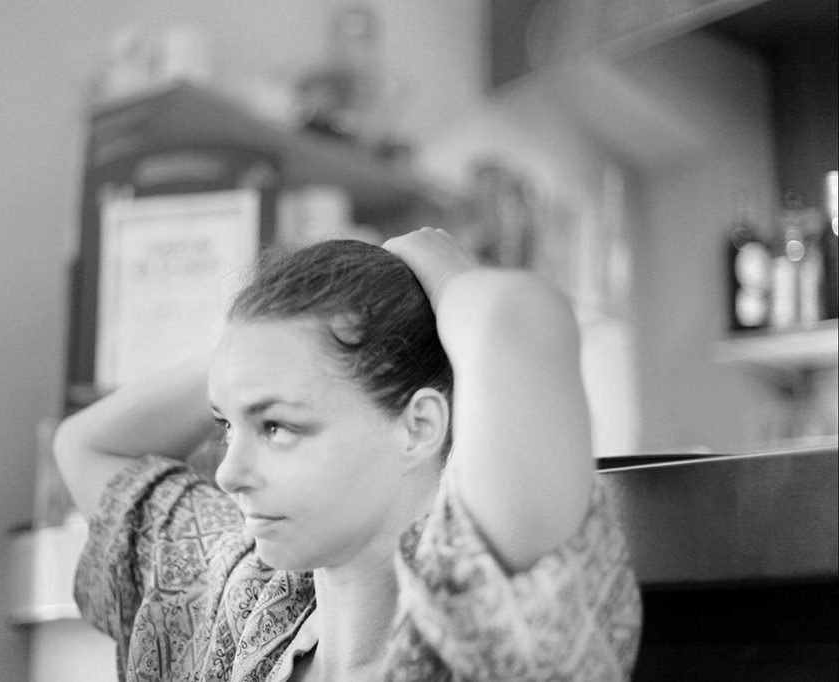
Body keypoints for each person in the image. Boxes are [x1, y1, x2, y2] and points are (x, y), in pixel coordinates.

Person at [56, 227, 642, 681]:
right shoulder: (243, 603)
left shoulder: (478, 628)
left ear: (418, 427)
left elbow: (515, 318)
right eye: (227, 426)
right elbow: (87, 447)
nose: (230, 473)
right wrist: (264, 351)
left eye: (277, 426)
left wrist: (441, 274)